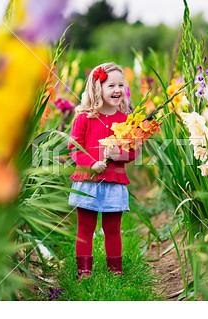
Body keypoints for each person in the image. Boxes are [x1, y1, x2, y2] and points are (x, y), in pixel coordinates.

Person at [67, 62, 141, 282]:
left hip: (114, 181)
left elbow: (134, 151)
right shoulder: (84, 118)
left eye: (121, 85)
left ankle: (115, 269)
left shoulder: (126, 121)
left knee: (112, 229)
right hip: (88, 181)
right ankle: (84, 271)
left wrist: (119, 154)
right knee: (86, 228)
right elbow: (74, 146)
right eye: (111, 85)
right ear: (97, 88)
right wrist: (91, 163)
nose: (117, 90)